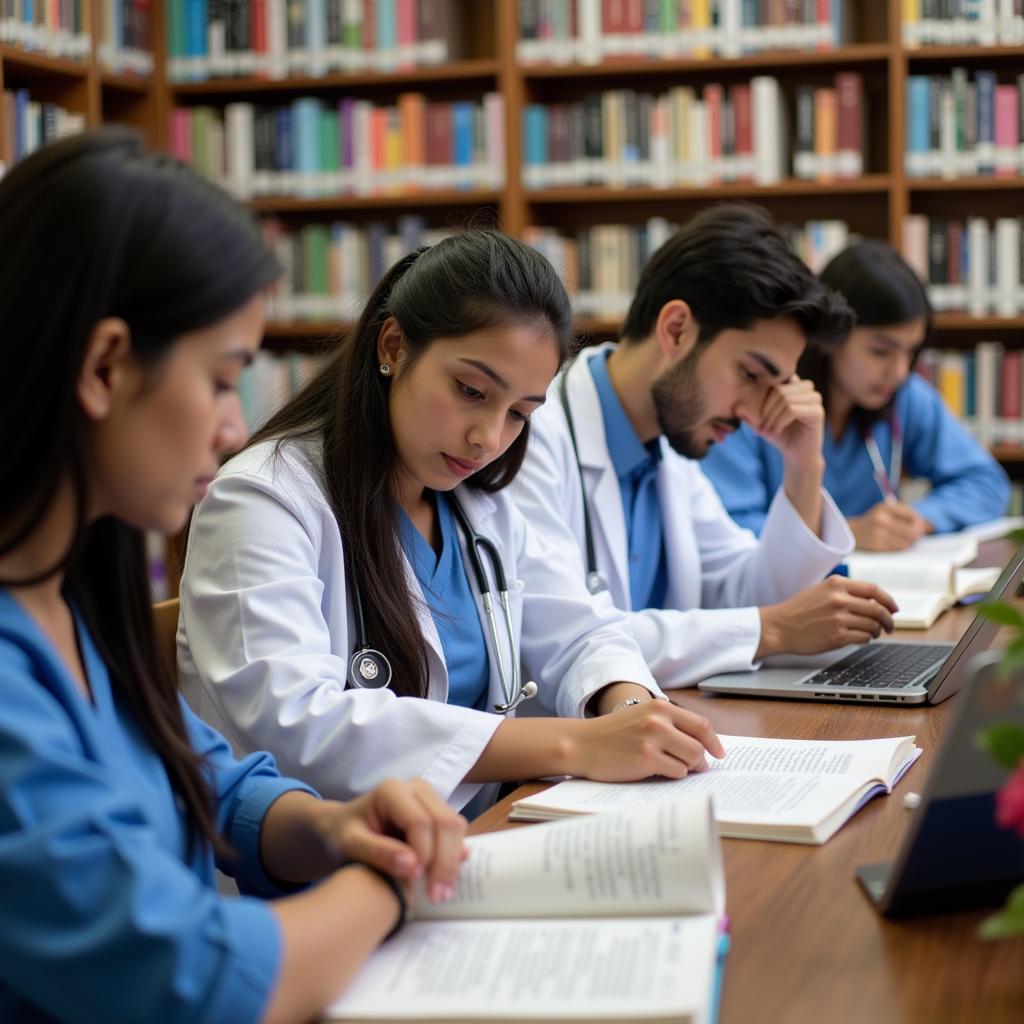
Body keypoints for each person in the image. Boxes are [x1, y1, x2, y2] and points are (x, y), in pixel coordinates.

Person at [0, 129, 471, 1024]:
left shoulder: (68, 598)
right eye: (222, 382)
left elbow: (205, 775)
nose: (231, 429)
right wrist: (394, 881)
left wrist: (333, 825)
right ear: (104, 368)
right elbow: (193, 980)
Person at [177, 229, 724, 820]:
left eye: (518, 413)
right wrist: (579, 745)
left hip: (476, 839)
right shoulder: (262, 499)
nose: (488, 437)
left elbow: (579, 630)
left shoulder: (476, 504)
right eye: (470, 390)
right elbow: (300, 724)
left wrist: (627, 709)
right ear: (393, 345)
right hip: (322, 878)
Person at [511, 204, 899, 690]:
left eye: (777, 384)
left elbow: (749, 593)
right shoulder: (529, 437)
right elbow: (568, 640)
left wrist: (803, 467)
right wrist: (773, 629)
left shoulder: (669, 449)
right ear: (676, 330)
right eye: (751, 374)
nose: (755, 411)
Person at [701, 239, 1011, 551]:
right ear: (831, 336)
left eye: (911, 351)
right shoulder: (750, 403)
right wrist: (844, 533)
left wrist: (917, 520)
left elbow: (986, 482)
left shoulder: (904, 397)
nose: (899, 371)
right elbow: (726, 530)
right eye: (881, 351)